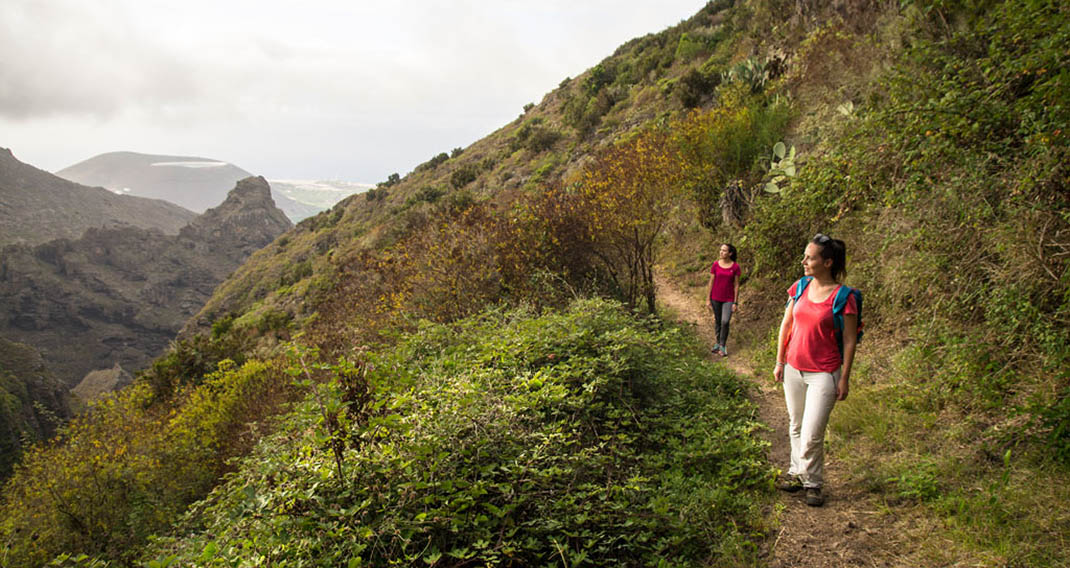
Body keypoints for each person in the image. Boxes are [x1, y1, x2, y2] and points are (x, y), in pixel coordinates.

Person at [773, 234, 858, 507]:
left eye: (810, 257)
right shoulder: (799, 287)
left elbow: (849, 339)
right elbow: (786, 325)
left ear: (828, 262)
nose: (804, 261)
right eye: (806, 256)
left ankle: (813, 482)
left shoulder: (843, 297)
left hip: (824, 372)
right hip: (794, 368)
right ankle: (798, 473)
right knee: (796, 425)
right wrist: (780, 361)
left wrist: (844, 378)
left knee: (812, 432)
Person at [707, 243, 741, 357]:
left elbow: (736, 285)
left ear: (730, 253)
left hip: (728, 299)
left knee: (725, 321)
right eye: (721, 250)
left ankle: (723, 345)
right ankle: (718, 343)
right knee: (717, 321)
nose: (721, 252)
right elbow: (711, 282)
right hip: (715, 297)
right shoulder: (715, 265)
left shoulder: (735, 267)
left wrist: (735, 302)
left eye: (724, 250)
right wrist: (708, 299)